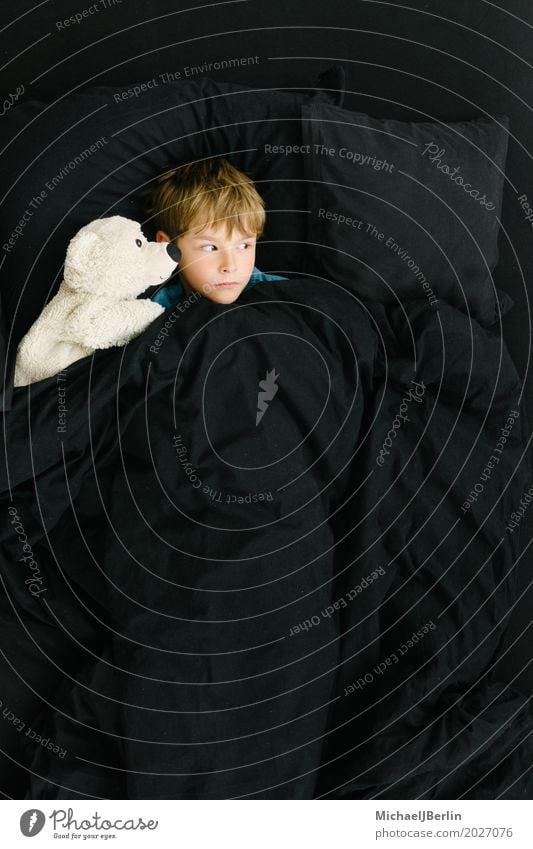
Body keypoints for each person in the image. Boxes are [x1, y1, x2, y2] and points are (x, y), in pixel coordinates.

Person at [143, 157, 287, 308]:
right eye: (210, 247)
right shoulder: (156, 312)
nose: (230, 266)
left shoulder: (284, 297)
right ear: (168, 245)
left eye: (244, 245)